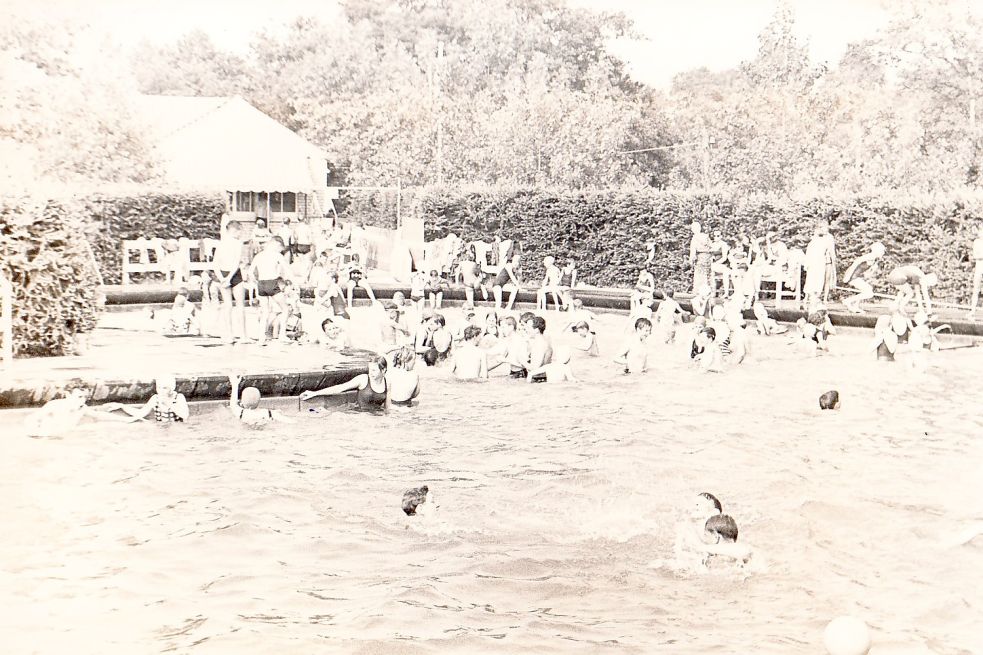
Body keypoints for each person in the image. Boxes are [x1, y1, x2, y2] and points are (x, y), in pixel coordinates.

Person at [24, 389, 136, 436]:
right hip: (50, 437)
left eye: (84, 397)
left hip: (67, 435)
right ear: (68, 395)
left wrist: (126, 420)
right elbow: (32, 418)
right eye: (79, 397)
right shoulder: (55, 405)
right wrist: (40, 433)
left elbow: (99, 416)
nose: (82, 400)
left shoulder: (82, 408)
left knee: (103, 427)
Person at [300, 355, 390, 410]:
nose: (371, 373)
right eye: (370, 370)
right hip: (361, 416)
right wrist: (315, 393)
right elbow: (340, 388)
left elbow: (387, 408)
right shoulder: (363, 379)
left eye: (374, 370)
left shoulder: (387, 383)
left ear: (383, 370)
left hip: (377, 417)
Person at [212, 221, 248, 343]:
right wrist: (227, 278)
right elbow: (236, 262)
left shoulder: (220, 244)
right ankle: (242, 335)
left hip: (223, 273)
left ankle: (229, 335)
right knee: (239, 306)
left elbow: (215, 264)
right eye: (240, 231)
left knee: (227, 305)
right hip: (234, 274)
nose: (241, 234)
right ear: (235, 231)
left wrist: (222, 278)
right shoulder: (238, 243)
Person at [250, 235, 290, 344]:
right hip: (272, 283)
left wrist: (255, 283)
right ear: (276, 245)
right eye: (280, 249)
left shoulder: (259, 255)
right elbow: (287, 270)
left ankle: (261, 338)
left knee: (265, 312)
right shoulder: (277, 255)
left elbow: (250, 272)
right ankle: (282, 335)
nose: (280, 251)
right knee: (285, 309)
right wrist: (292, 282)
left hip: (261, 283)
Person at [113, 375, 190, 424]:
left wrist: (169, 405)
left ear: (171, 388)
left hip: (176, 428)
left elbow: (185, 415)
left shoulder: (178, 397)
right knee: (135, 420)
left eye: (165, 388)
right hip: (160, 428)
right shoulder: (155, 398)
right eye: (159, 387)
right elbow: (141, 413)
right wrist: (122, 406)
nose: (161, 391)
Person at [228, 374, 293, 425]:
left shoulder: (241, 413)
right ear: (259, 400)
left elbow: (233, 404)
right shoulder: (268, 413)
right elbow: (289, 421)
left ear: (242, 402)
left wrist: (235, 384)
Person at [841, 242, 886, 313]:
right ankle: (848, 301)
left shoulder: (874, 259)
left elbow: (866, 271)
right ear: (877, 250)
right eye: (882, 251)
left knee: (866, 290)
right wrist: (847, 276)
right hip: (852, 276)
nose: (883, 253)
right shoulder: (871, 256)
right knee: (869, 293)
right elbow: (856, 262)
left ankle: (855, 306)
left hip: (857, 276)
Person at [688, 221, 713, 294]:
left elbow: (693, 251)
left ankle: (698, 291)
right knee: (707, 275)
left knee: (699, 274)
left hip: (700, 257)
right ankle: (708, 291)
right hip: (707, 257)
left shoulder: (695, 238)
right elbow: (711, 247)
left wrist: (691, 261)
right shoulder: (706, 236)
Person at [709, 230, 731, 298]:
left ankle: (726, 292)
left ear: (721, 236)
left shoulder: (723, 245)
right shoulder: (712, 245)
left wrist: (716, 263)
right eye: (714, 236)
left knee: (725, 272)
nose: (716, 237)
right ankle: (713, 291)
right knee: (710, 271)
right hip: (715, 265)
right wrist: (712, 258)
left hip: (724, 265)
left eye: (718, 236)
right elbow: (711, 255)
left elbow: (724, 258)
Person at [969, 224, 983, 318]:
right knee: (976, 289)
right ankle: (972, 310)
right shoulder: (977, 242)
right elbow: (976, 255)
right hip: (979, 266)